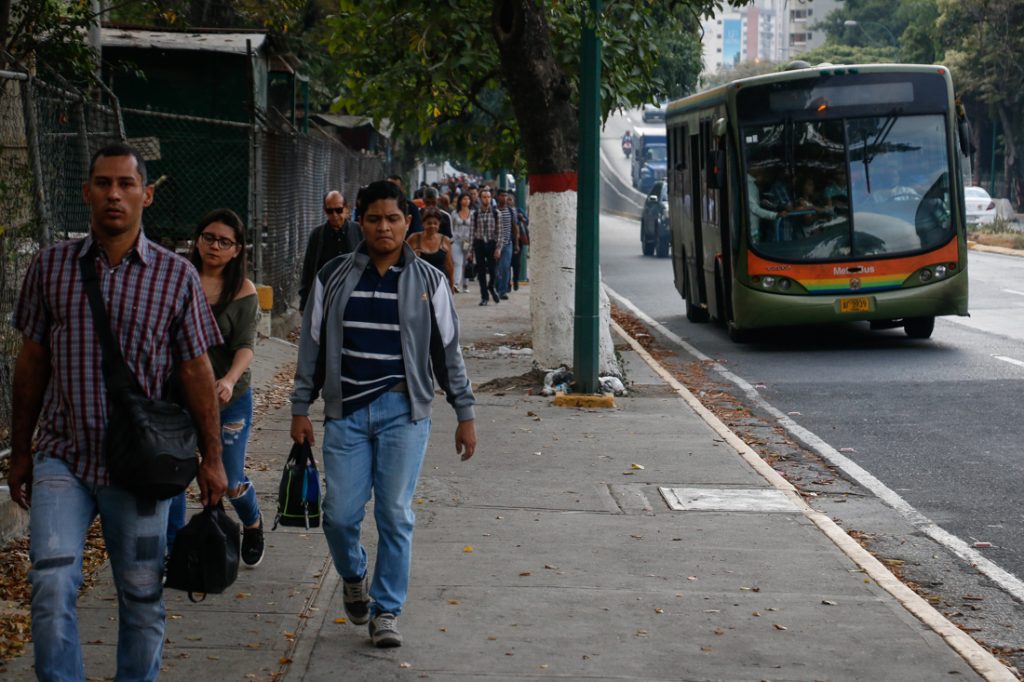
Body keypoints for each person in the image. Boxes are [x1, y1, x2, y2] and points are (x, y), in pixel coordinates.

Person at [8, 142, 226, 681]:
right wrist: (20, 450)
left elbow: (198, 372)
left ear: (146, 195)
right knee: (52, 582)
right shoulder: (51, 267)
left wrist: (213, 457)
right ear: (86, 193)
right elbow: (31, 362)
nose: (114, 194)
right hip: (64, 458)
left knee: (141, 591)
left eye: (126, 184)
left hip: (143, 466)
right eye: (103, 183)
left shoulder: (175, 276)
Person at [290, 180, 476, 649]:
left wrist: (464, 411)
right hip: (346, 413)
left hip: (404, 412)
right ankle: (353, 574)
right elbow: (311, 348)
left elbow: (447, 352)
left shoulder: (429, 282)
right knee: (338, 515)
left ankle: (386, 609)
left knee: (395, 514)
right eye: (373, 219)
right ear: (360, 223)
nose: (384, 227)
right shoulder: (332, 276)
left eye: (393, 218)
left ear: (407, 222)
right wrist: (300, 408)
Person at [167, 208, 265, 567]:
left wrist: (228, 379)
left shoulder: (243, 290)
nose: (215, 246)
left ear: (238, 249)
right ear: (198, 239)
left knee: (230, 478)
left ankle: (252, 522)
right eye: (209, 238)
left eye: (225, 242)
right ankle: (172, 550)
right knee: (175, 470)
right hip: (180, 395)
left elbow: (246, 346)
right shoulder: (179, 277)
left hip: (229, 399)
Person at [298, 190, 361, 311]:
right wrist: (304, 303)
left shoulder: (358, 231)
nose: (335, 215)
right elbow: (308, 269)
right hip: (325, 297)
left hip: (352, 297)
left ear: (346, 208)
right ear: (324, 211)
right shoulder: (317, 235)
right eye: (330, 211)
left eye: (338, 210)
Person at [407, 206, 455, 291]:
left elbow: (449, 266)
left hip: (439, 285)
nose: (432, 226)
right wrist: (413, 256)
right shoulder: (414, 238)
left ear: (439, 224)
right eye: (429, 223)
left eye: (435, 223)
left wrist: (451, 284)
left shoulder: (445, 240)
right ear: (423, 223)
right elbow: (402, 261)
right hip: (419, 285)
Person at [471, 188, 502, 305]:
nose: (486, 199)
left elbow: (500, 232)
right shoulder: (475, 213)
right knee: (481, 272)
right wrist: (470, 251)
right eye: (484, 197)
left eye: (488, 197)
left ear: (491, 198)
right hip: (479, 243)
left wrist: (498, 248)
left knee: (493, 271)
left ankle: (491, 286)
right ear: (480, 198)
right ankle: (484, 297)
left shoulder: (496, 213)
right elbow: (471, 233)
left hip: (491, 244)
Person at [747, 166, 789, 244]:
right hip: (751, 230)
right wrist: (775, 215)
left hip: (754, 228)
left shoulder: (753, 183)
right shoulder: (747, 185)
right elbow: (754, 209)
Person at [494, 190, 516, 299]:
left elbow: (514, 227)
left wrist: (516, 244)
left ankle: (503, 291)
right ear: (498, 197)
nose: (504, 198)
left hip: (508, 243)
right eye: (502, 195)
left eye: (506, 195)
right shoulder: (493, 211)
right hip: (495, 244)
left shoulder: (511, 211)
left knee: (505, 267)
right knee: (496, 267)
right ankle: (497, 286)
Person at [450, 192, 474, 292]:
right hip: (456, 240)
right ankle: (456, 284)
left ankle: (465, 284)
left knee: (465, 262)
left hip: (467, 241)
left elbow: (474, 228)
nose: (466, 201)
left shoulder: (473, 213)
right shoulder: (454, 213)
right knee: (457, 262)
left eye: (468, 199)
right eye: (464, 199)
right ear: (460, 201)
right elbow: (451, 226)